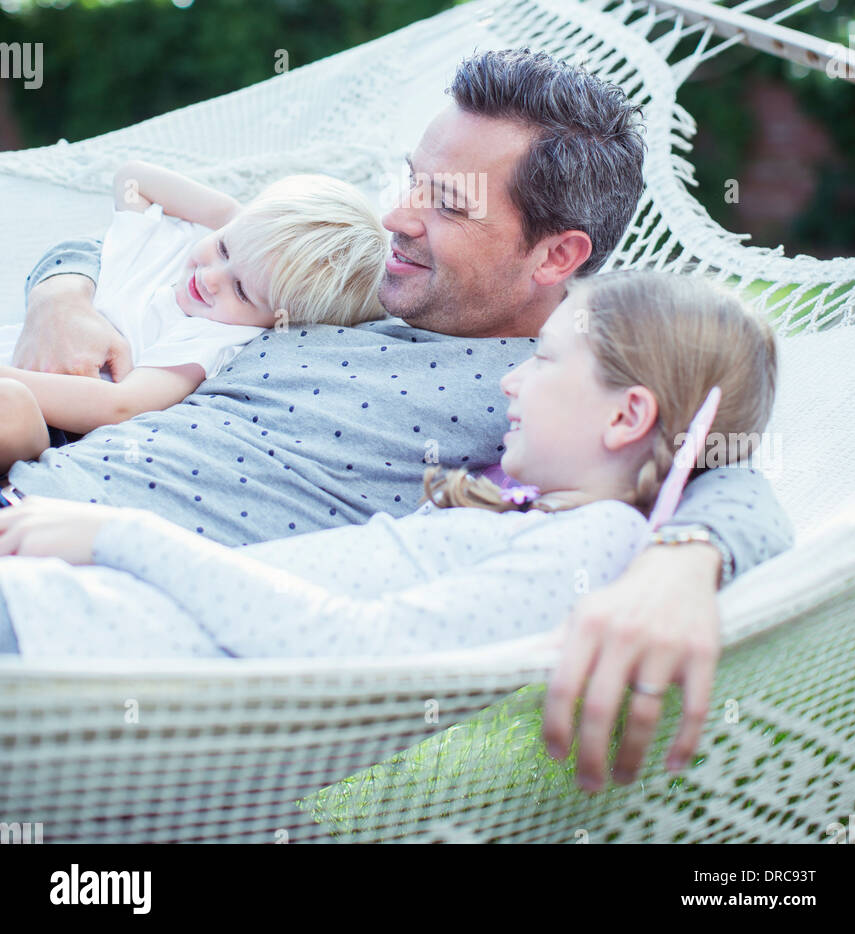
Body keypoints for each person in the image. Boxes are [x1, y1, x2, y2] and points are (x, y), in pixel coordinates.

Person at [0, 47, 793, 787]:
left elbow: (722, 456)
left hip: (81, 602)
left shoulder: (564, 387)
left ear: (556, 256)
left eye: (446, 204)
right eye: (412, 181)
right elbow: (167, 244)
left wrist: (683, 561)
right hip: (33, 477)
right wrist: (62, 295)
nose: (397, 217)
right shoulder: (365, 285)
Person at [0, 270, 777, 667]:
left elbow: (365, 656)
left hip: (62, 644)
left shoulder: (598, 541)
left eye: (543, 361)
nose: (510, 380)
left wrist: (119, 535)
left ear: (627, 416)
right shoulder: (546, 521)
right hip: (63, 619)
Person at [0, 161, 387, 470]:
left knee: (11, 407)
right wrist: (236, 218)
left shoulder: (212, 339)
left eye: (241, 290)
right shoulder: (168, 243)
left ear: (281, 320)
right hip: (18, 352)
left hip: (46, 421)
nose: (210, 278)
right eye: (224, 249)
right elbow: (131, 178)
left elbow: (120, 406)